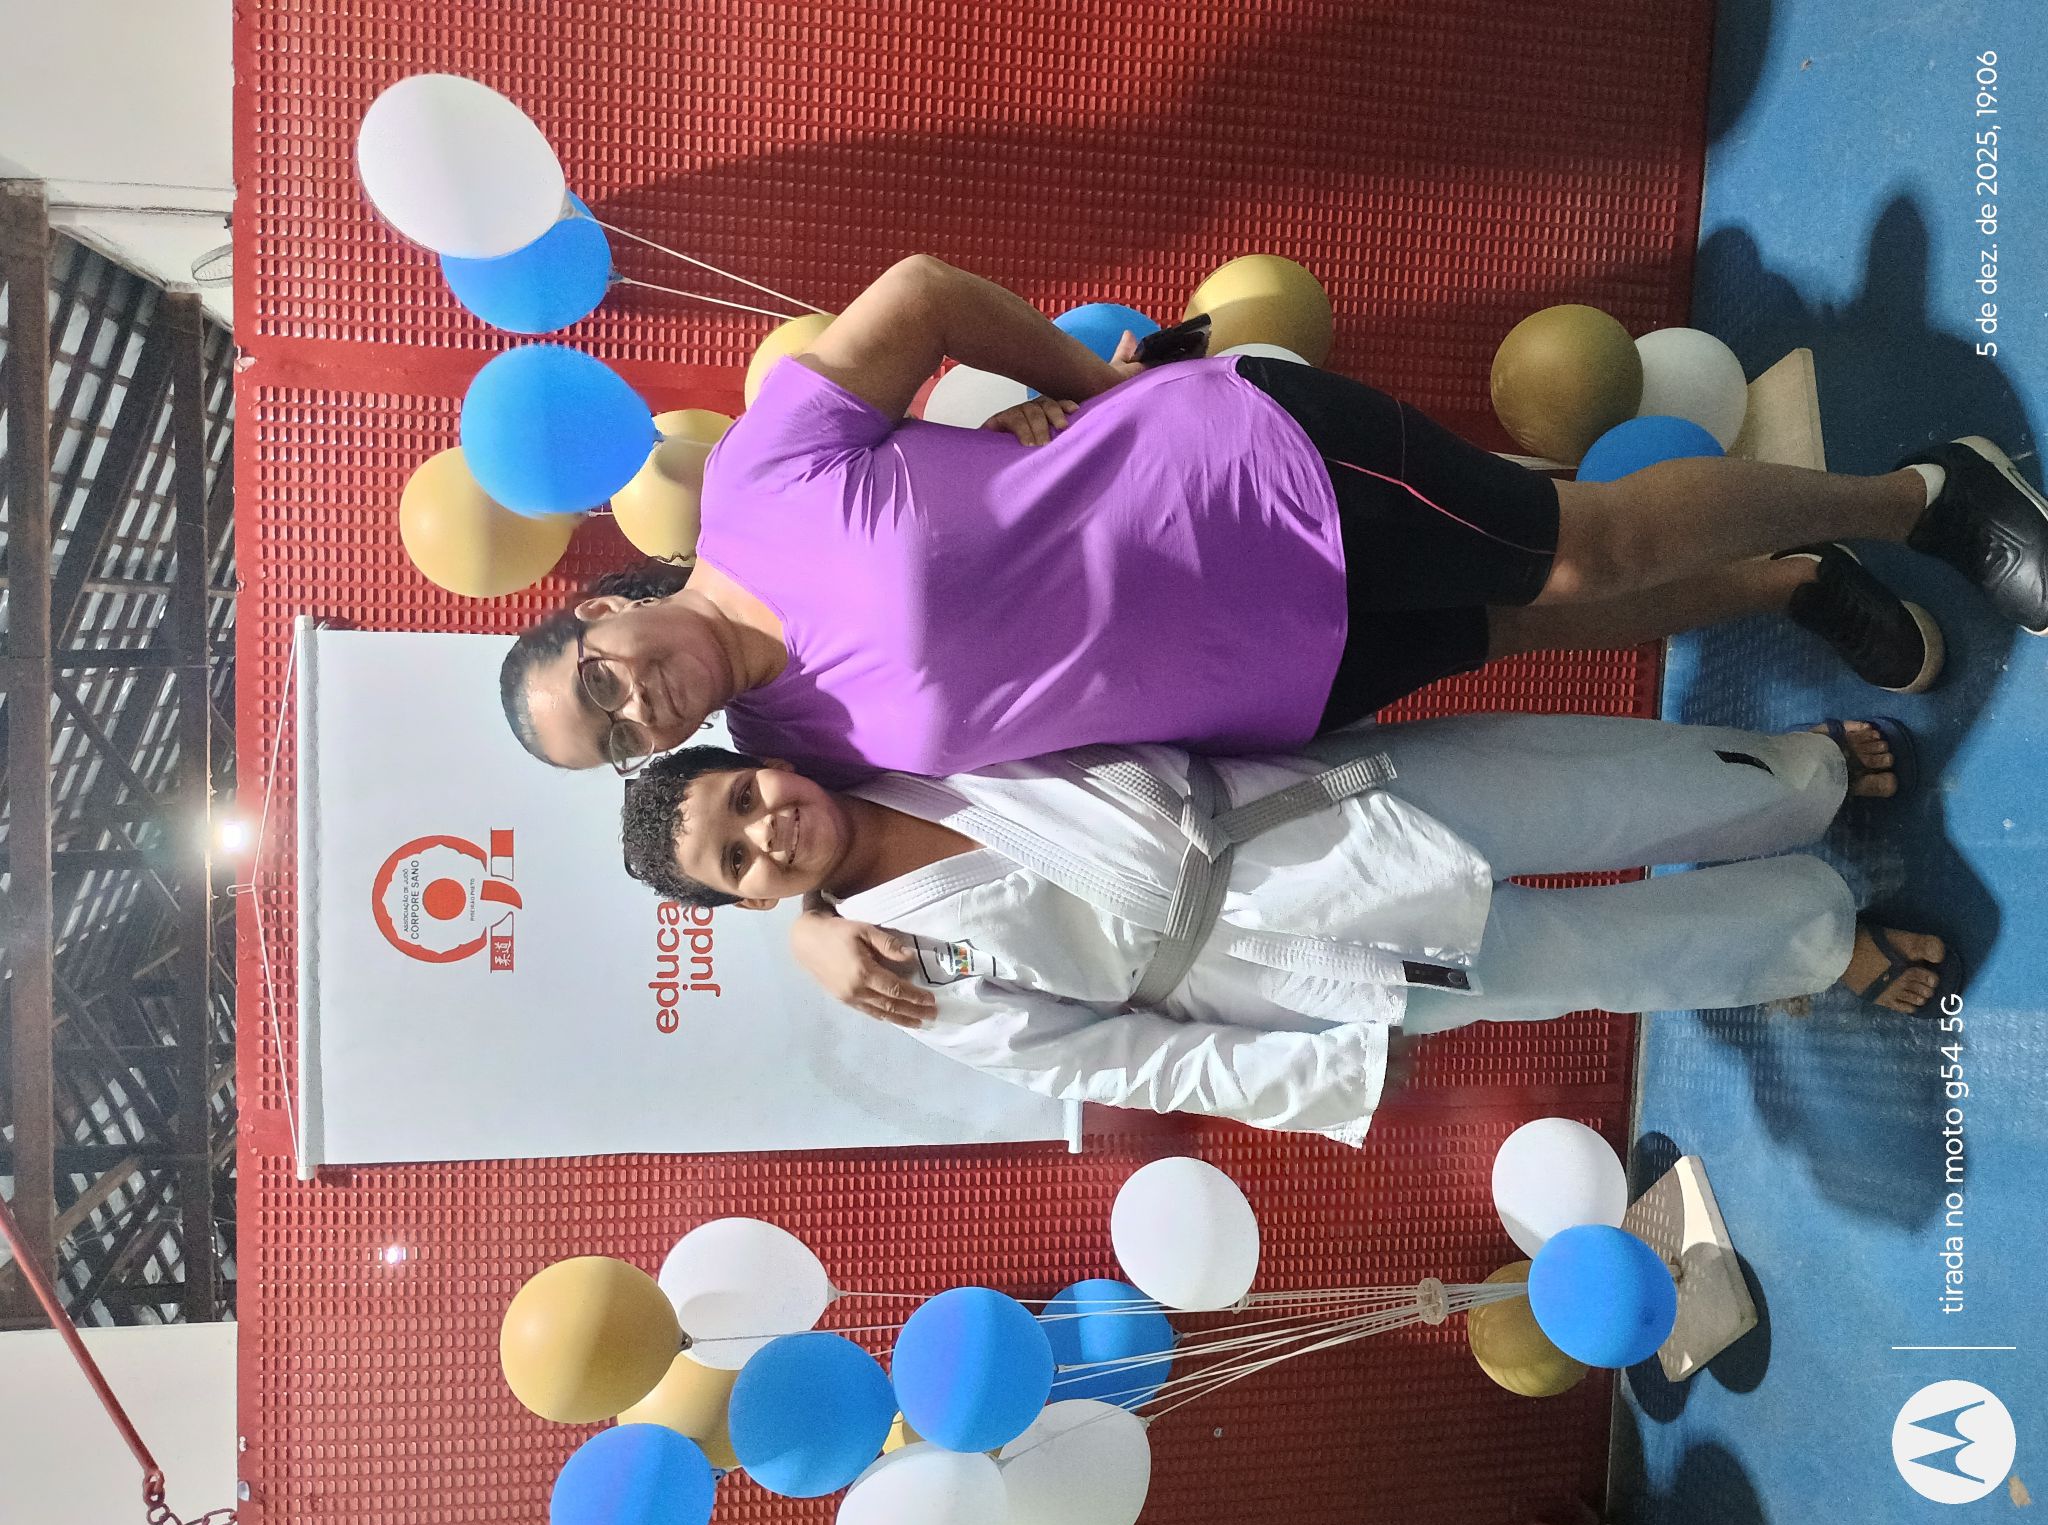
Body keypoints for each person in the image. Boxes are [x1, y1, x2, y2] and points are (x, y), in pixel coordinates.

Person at [501, 253, 2044, 1023]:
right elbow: (815, 850)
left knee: (1586, 547)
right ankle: (1786, 581)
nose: (637, 710)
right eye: (615, 740)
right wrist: (815, 934)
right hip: (1272, 682)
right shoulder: (791, 752)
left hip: (1244, 481)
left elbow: (916, 298)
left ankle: (1924, 499)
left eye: (598, 682)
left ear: (601, 610)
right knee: (1538, 624)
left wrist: (1089, 388)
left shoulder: (756, 481)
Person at [614, 713, 1954, 1145]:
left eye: (746, 799)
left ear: (764, 758)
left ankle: (1801, 775)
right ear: (747, 904)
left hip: (1295, 804)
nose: (769, 832)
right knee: (1592, 964)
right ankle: (1812, 939)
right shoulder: (906, 975)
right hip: (1293, 970)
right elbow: (1117, 1061)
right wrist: (1319, 1073)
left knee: (1587, 785)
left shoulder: (893, 729)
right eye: (739, 863)